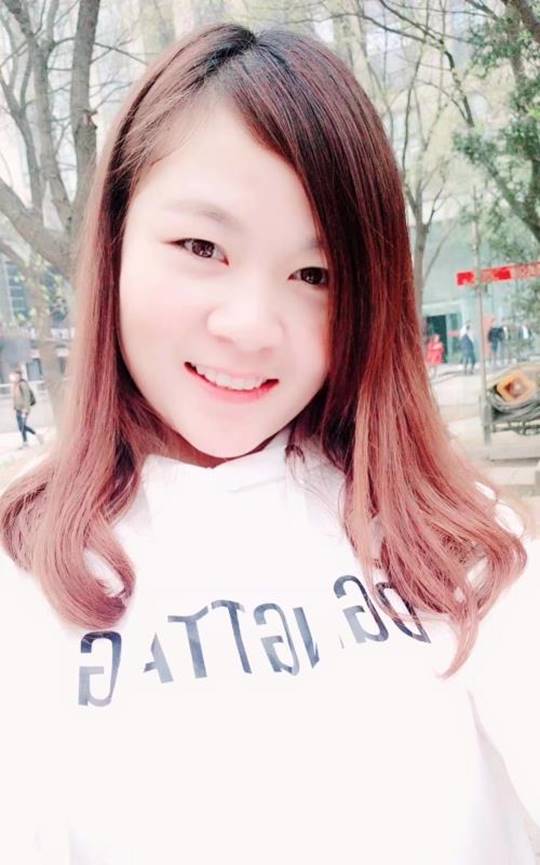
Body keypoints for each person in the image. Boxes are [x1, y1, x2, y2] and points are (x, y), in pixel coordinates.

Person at [0, 23, 538, 865]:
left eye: (314, 275)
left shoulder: (454, 539)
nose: (251, 324)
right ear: (115, 241)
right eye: (201, 247)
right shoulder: (25, 568)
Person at [10, 369, 42, 448]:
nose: (14, 377)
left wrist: (26, 409)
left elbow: (27, 397)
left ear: (20, 376)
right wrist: (14, 406)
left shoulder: (23, 384)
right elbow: (15, 397)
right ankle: (35, 436)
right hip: (18, 409)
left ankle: (26, 441)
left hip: (23, 409)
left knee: (22, 426)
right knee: (21, 427)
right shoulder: (15, 385)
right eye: (14, 375)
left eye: (16, 375)